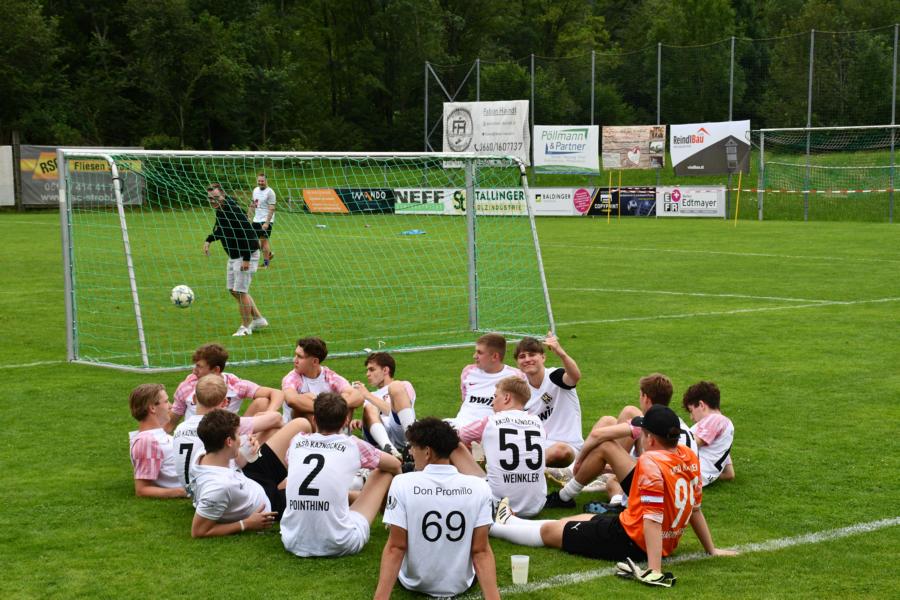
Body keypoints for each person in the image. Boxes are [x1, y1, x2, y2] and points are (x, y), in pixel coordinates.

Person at [490, 405, 737, 587]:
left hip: (630, 539)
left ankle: (492, 526)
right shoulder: (688, 455)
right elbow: (694, 509)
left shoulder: (651, 461)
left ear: (650, 438)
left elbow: (652, 519)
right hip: (645, 533)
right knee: (575, 520)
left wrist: (654, 570)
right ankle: (510, 519)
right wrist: (711, 549)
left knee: (550, 533)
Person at [374, 418, 499, 600]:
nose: (411, 452)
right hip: (461, 583)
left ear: (427, 452)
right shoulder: (479, 487)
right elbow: (481, 551)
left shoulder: (402, 483)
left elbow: (396, 547)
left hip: (414, 581)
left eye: (413, 447)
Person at [280, 392, 401, 557]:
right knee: (384, 471)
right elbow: (395, 464)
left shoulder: (296, 442)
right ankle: (394, 516)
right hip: (340, 542)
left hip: (292, 540)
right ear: (346, 421)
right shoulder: (352, 444)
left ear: (314, 419)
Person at [548, 373, 694, 509]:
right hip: (678, 484)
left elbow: (597, 435)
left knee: (606, 447)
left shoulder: (648, 421)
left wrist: (579, 461)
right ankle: (608, 491)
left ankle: (564, 496)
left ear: (645, 398)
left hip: (657, 486)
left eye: (640, 395)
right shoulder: (677, 422)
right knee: (609, 423)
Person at [190, 408, 312, 537]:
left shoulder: (205, 454)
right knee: (316, 494)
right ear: (229, 442)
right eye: (238, 435)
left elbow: (234, 464)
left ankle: (287, 481)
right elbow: (198, 531)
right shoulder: (218, 488)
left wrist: (247, 452)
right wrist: (246, 524)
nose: (240, 439)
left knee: (301, 424)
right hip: (268, 502)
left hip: (250, 478)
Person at [452, 376, 548, 517]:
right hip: (535, 506)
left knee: (451, 443)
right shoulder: (538, 423)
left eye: (495, 396)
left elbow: (458, 435)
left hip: (497, 504)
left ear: (506, 398)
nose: (492, 402)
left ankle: (442, 486)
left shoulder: (489, 421)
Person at [173, 374, 283, 494]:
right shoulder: (223, 425)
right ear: (225, 402)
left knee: (260, 406)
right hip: (216, 486)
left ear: (194, 399)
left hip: (193, 487)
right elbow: (277, 419)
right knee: (274, 430)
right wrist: (258, 421)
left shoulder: (180, 428)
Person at [165, 343, 283, 433]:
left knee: (263, 402)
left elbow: (277, 393)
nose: (194, 370)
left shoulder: (234, 385)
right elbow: (170, 424)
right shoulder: (187, 386)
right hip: (195, 434)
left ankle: (252, 449)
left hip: (228, 434)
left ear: (216, 370)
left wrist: (270, 411)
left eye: (199, 366)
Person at [203, 182, 268, 337]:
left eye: (216, 197)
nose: (213, 201)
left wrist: (246, 258)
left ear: (223, 196)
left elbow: (247, 233)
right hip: (234, 255)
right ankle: (258, 319)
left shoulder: (233, 210)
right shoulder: (221, 210)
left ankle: (245, 327)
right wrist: (209, 239)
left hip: (246, 254)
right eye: (210, 198)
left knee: (240, 291)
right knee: (233, 290)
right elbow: (222, 230)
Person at [515, 333, 584, 468]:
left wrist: (561, 353)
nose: (527, 359)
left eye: (532, 355)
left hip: (569, 446)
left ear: (543, 357)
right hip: (538, 446)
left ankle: (531, 466)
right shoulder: (520, 390)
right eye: (522, 356)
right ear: (517, 363)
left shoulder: (555, 376)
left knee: (560, 451)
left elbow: (575, 377)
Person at [281, 336, 361, 426]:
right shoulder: (292, 378)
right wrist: (328, 410)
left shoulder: (329, 376)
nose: (295, 360)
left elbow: (358, 396)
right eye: (296, 355)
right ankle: (330, 432)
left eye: (300, 357)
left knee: (346, 396)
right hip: (298, 429)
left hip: (328, 423)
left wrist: (336, 407)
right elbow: (292, 400)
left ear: (315, 361)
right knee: (307, 399)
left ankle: (341, 431)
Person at [350, 352, 416, 459]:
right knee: (369, 407)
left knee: (395, 386)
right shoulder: (371, 395)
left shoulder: (403, 385)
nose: (367, 374)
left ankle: (413, 443)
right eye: (367, 370)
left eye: (372, 369)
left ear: (385, 370)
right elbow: (375, 418)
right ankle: (390, 450)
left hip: (402, 430)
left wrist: (367, 395)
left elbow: (392, 411)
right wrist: (363, 422)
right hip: (379, 439)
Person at [451, 333, 524, 429]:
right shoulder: (468, 372)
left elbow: (519, 410)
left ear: (495, 356)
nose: (474, 356)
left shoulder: (515, 376)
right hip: (459, 425)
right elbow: (465, 401)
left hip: (489, 430)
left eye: (479, 353)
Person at [128, 383, 187, 498]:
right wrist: (182, 492)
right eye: (166, 401)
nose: (171, 406)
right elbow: (142, 489)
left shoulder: (156, 437)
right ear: (152, 408)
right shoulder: (147, 441)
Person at [682, 381, 735, 486]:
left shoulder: (715, 419)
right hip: (699, 475)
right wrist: (709, 477)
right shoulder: (724, 426)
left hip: (689, 471)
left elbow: (691, 444)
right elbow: (729, 474)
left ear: (701, 405)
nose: (691, 417)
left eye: (691, 410)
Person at [247, 173, 276, 268]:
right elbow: (253, 203)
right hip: (256, 219)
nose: (260, 182)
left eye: (262, 181)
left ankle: (266, 264)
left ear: (266, 181)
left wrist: (267, 223)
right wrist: (249, 216)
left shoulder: (270, 192)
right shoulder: (255, 190)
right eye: (259, 181)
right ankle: (269, 254)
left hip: (266, 220)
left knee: (264, 242)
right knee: (252, 240)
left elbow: (272, 208)